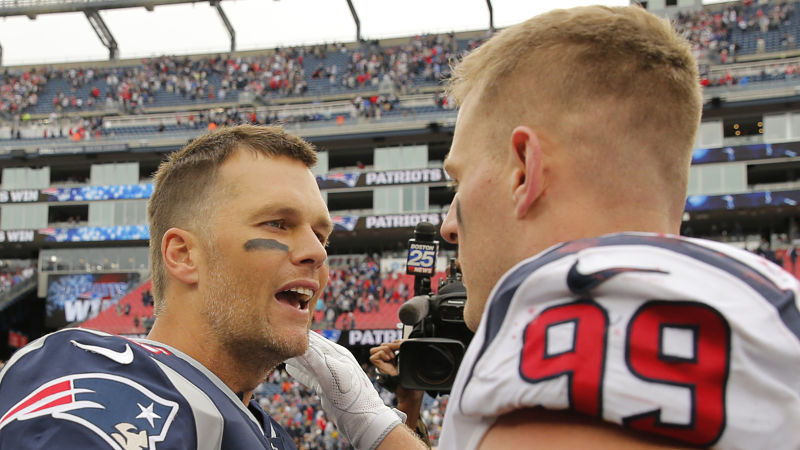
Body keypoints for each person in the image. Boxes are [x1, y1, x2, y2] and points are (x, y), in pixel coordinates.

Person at [287, 5, 800, 450]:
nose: (448, 225)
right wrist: (392, 421)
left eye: (460, 180)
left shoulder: (563, 313)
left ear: (524, 169)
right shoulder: (774, 301)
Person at [0, 124, 408, 449]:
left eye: (322, 236)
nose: (317, 253)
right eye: (278, 224)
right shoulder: (104, 381)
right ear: (183, 255)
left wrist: (378, 425)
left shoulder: (265, 431)